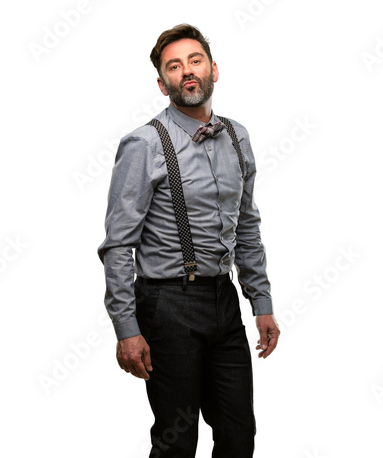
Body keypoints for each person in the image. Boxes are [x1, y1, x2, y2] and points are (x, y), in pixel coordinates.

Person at [98, 23, 280, 457]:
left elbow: (247, 225)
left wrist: (262, 302)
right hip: (167, 306)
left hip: (224, 300)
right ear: (163, 84)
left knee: (239, 434)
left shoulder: (238, 136)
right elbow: (118, 245)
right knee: (177, 441)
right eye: (174, 67)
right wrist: (126, 329)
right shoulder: (144, 143)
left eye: (195, 61)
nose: (187, 71)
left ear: (213, 69)